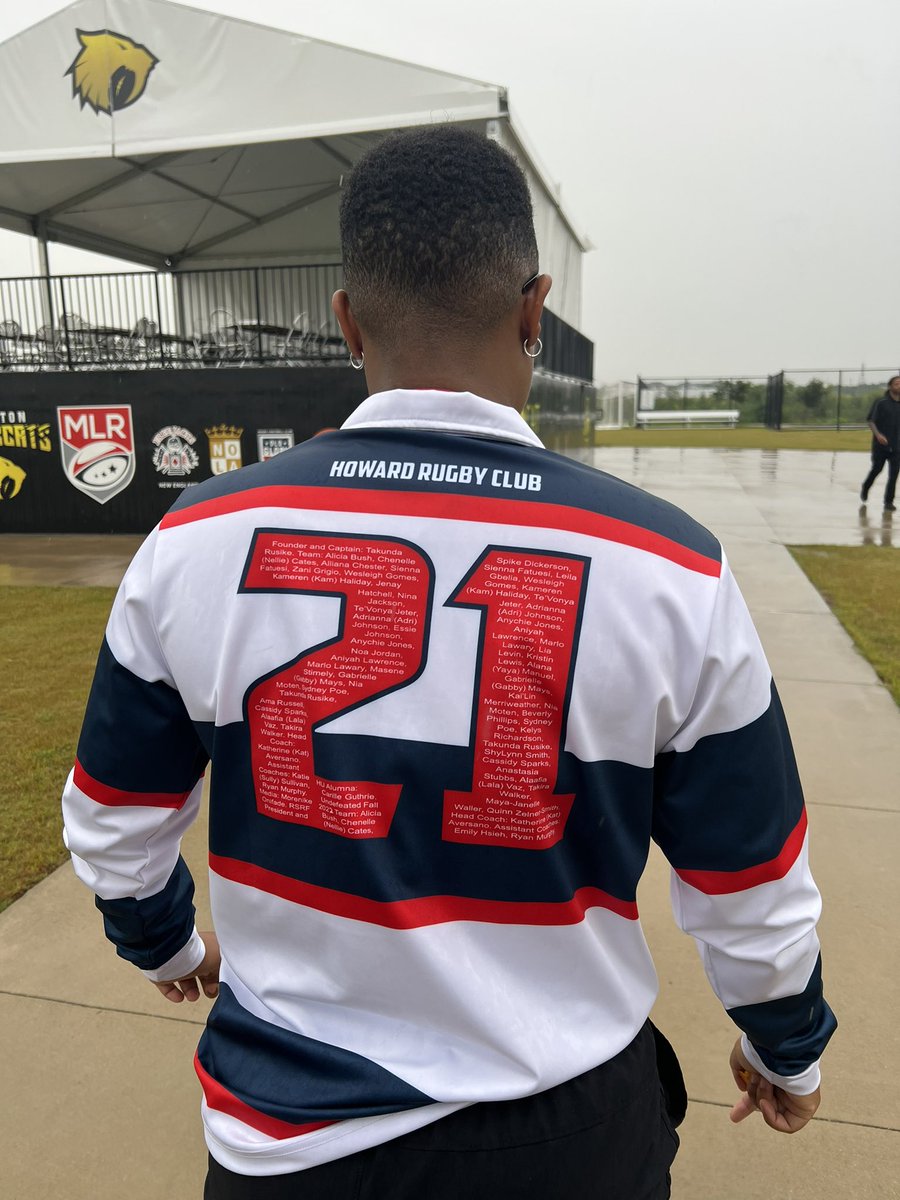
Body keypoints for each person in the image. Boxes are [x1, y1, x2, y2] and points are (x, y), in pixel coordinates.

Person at [62, 127, 835, 1200]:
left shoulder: (195, 539)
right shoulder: (669, 565)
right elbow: (752, 885)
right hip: (566, 1138)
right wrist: (785, 1045)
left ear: (345, 320)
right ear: (533, 310)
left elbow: (112, 825)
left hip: (291, 1136)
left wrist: (167, 951)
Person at [860, 374, 900, 512]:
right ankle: (866, 487)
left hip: (897, 446)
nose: (899, 385)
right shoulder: (881, 402)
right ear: (890, 386)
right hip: (881, 446)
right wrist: (878, 435)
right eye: (896, 383)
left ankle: (888, 502)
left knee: (894, 474)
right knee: (877, 469)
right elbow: (871, 420)